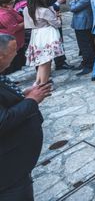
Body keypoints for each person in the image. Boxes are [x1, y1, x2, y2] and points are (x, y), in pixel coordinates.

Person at [0, 34, 52, 200]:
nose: (17, 54)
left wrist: (22, 95)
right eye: (13, 51)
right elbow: (3, 120)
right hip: (9, 173)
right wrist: (31, 100)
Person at [23, 0, 64, 86]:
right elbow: (57, 24)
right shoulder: (44, 11)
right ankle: (44, 83)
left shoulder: (26, 9)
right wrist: (58, 17)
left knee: (41, 61)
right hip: (46, 34)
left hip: (36, 34)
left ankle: (38, 81)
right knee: (46, 61)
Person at [69, 0, 95, 76]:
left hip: (83, 23)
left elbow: (74, 8)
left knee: (85, 45)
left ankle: (89, 65)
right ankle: (86, 62)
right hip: (86, 21)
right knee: (88, 43)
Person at [0, 0, 25, 74]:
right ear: (4, 4)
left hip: (16, 42)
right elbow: (13, 29)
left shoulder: (7, 10)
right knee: (11, 66)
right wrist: (27, 22)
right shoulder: (4, 14)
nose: (13, 4)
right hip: (10, 43)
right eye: (12, 2)